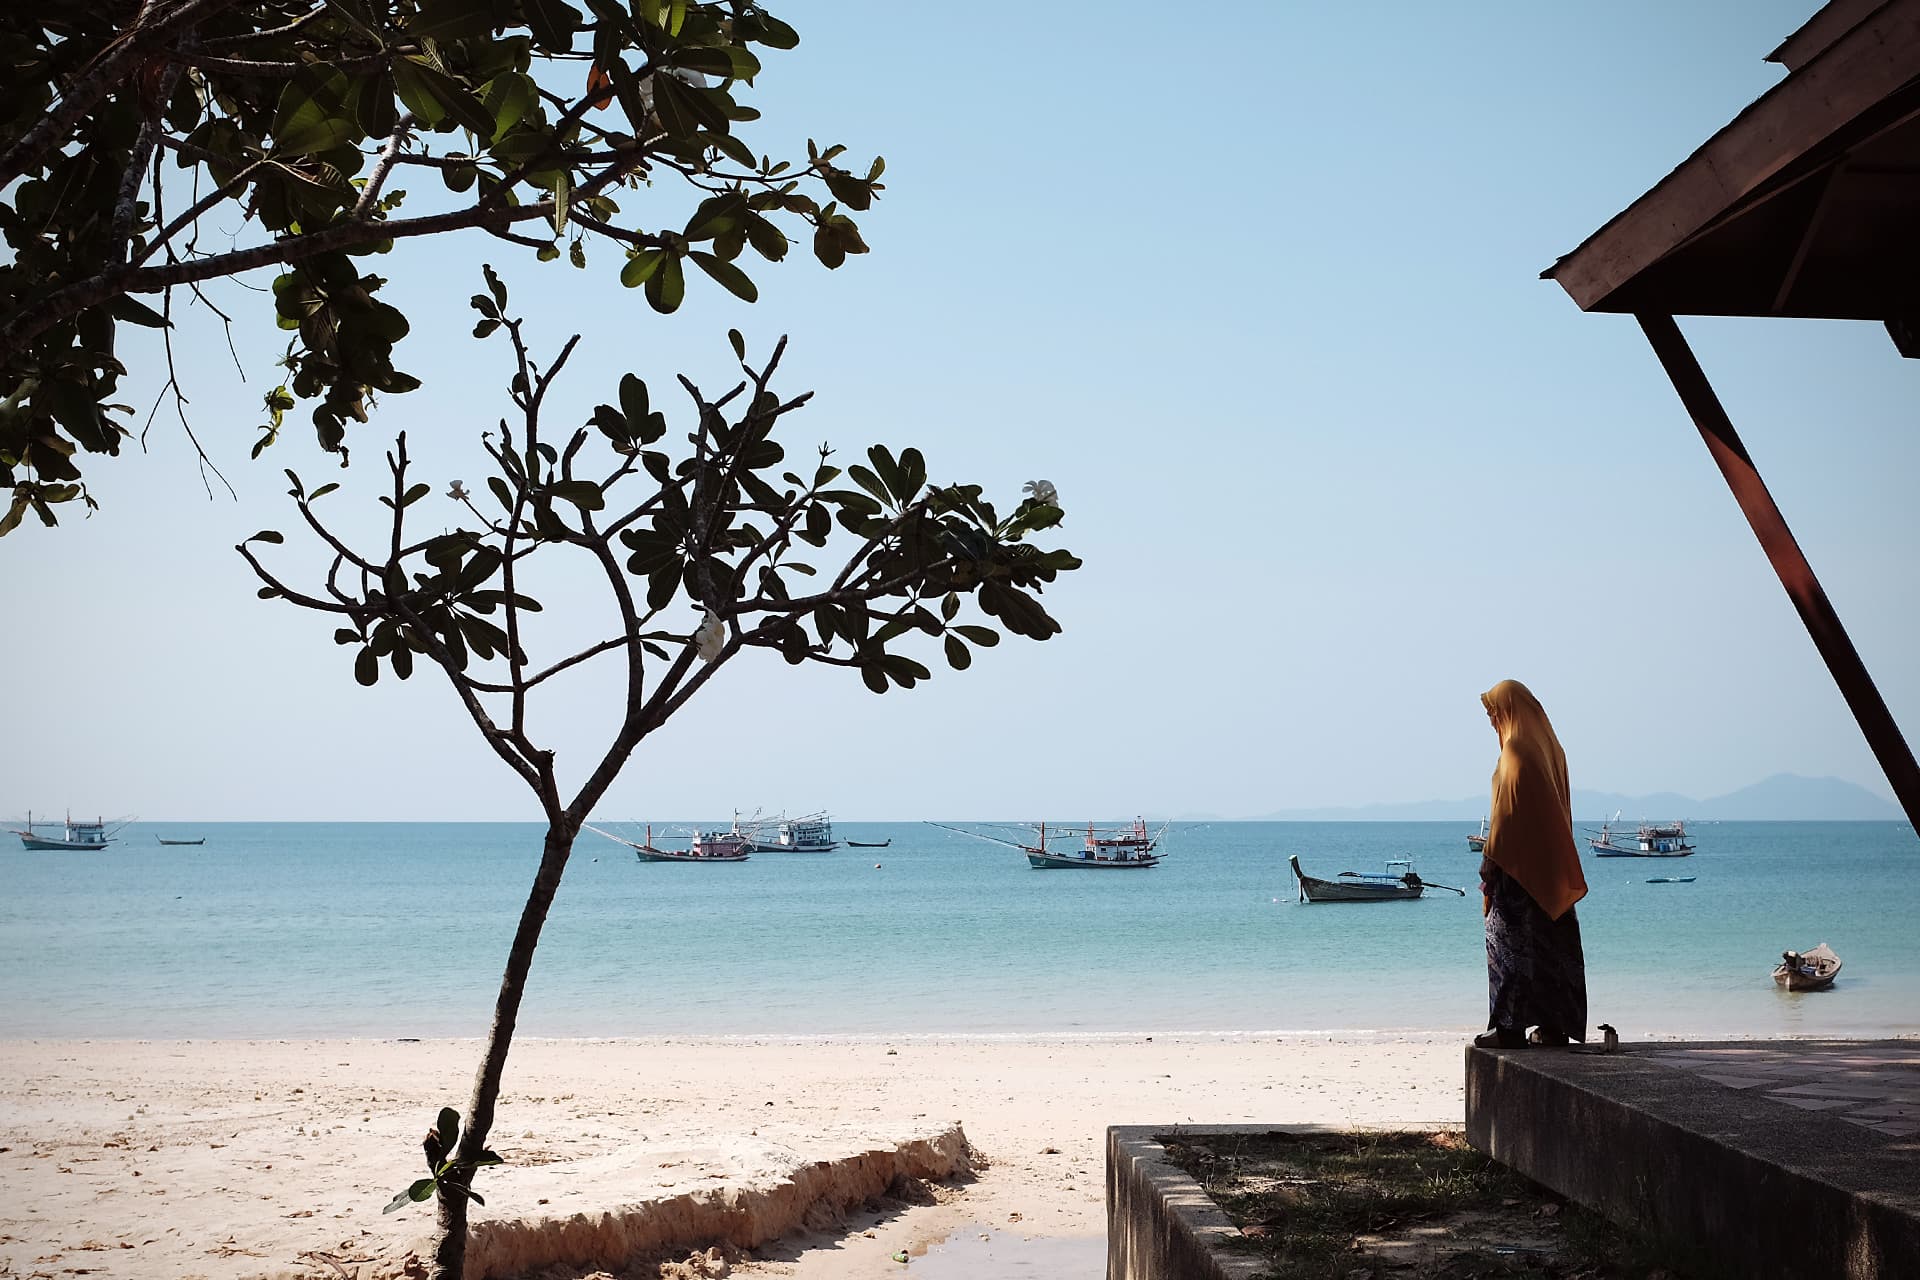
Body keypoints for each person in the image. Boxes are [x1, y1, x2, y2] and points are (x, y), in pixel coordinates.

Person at [1474, 679, 1589, 1049]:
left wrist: (1489, 860)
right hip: (1551, 867)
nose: (1493, 721)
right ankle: (1555, 1027)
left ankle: (1508, 1028)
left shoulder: (1515, 751)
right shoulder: (1551, 749)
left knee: (1508, 946)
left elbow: (1507, 813)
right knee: (1551, 948)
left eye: (1495, 713)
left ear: (1509, 711)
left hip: (1517, 867)